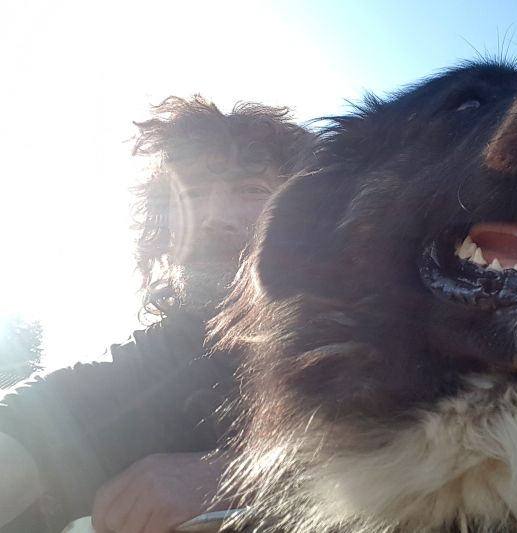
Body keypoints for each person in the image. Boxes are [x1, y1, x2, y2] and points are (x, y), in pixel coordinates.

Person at [0, 96, 316, 533]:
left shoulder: (387, 338)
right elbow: (31, 424)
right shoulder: (150, 366)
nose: (213, 217)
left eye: (251, 190)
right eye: (192, 193)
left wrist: (249, 477)